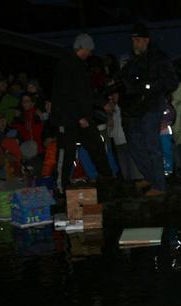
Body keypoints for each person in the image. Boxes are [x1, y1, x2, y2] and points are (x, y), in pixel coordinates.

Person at [118, 23, 178, 195]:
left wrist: (149, 87)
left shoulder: (160, 58)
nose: (134, 43)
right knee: (135, 146)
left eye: (137, 40)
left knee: (152, 146)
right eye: (132, 40)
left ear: (146, 40)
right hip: (135, 109)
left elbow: (172, 82)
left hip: (152, 107)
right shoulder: (133, 60)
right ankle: (151, 177)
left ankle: (159, 185)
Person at [51, 33, 112, 191]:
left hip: (83, 117)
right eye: (89, 50)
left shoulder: (80, 66)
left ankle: (107, 180)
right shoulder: (65, 65)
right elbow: (65, 95)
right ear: (83, 48)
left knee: (96, 146)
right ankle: (61, 187)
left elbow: (85, 92)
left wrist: (102, 102)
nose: (90, 53)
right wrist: (78, 116)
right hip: (68, 119)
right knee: (67, 153)